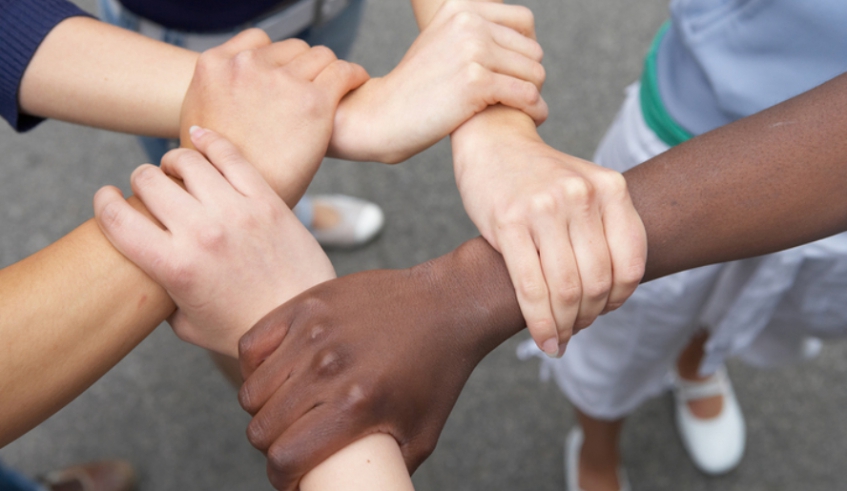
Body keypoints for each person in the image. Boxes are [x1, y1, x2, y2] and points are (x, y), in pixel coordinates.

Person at [214, 72, 847, 491]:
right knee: (618, 334)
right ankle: (599, 450)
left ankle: (697, 364)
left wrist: (465, 291)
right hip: (694, 113)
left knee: (736, 310)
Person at [1, 0, 625, 359]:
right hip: (182, 39)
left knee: (264, 188)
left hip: (323, 7)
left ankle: (292, 211)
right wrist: (348, 113)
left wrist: (497, 130)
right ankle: (256, 365)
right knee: (220, 246)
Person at [96, 0, 386, 249]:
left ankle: (289, 216)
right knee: (211, 184)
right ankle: (282, 227)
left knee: (283, 150)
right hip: (189, 25)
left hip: (327, 9)